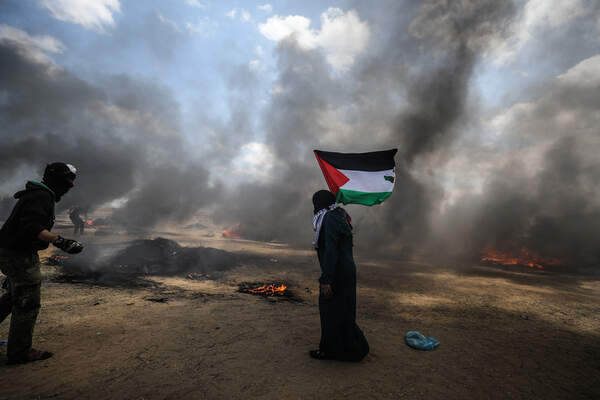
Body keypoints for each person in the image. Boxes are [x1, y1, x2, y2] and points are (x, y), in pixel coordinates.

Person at [0, 162, 84, 365]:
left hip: (13, 251)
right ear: (57, 181)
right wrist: (60, 241)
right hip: (18, 254)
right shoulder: (41, 196)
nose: (71, 186)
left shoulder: (39, 194)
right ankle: (20, 353)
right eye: (67, 182)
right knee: (28, 301)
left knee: (13, 296)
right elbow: (31, 227)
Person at [310, 189, 369, 362]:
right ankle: (351, 348)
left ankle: (331, 350)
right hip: (346, 270)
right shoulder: (338, 215)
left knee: (329, 310)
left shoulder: (328, 218)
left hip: (337, 272)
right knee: (343, 310)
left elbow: (331, 251)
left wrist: (327, 279)